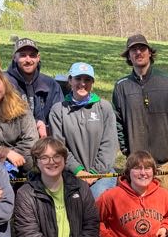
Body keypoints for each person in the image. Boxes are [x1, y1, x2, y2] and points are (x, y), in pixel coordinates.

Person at [112, 34, 168, 195]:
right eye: (133, 49)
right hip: (137, 160)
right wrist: (126, 149)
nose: (138, 52)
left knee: (166, 194)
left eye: (142, 48)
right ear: (128, 55)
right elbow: (117, 121)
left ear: (150, 52)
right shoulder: (121, 86)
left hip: (164, 159)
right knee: (136, 197)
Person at [48, 62, 119, 199]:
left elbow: (109, 144)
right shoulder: (58, 110)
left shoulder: (104, 108)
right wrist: (78, 171)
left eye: (87, 80)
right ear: (70, 80)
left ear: (92, 82)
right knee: (74, 202)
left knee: (96, 199)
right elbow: (59, 147)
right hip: (70, 172)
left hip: (101, 173)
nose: (82, 84)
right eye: (78, 79)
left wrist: (94, 173)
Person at [5, 37, 63, 139]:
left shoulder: (50, 84)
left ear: (38, 57)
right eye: (23, 55)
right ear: (14, 57)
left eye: (32, 55)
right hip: (12, 139)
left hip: (44, 138)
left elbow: (60, 115)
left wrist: (48, 129)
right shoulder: (4, 83)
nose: (28, 60)